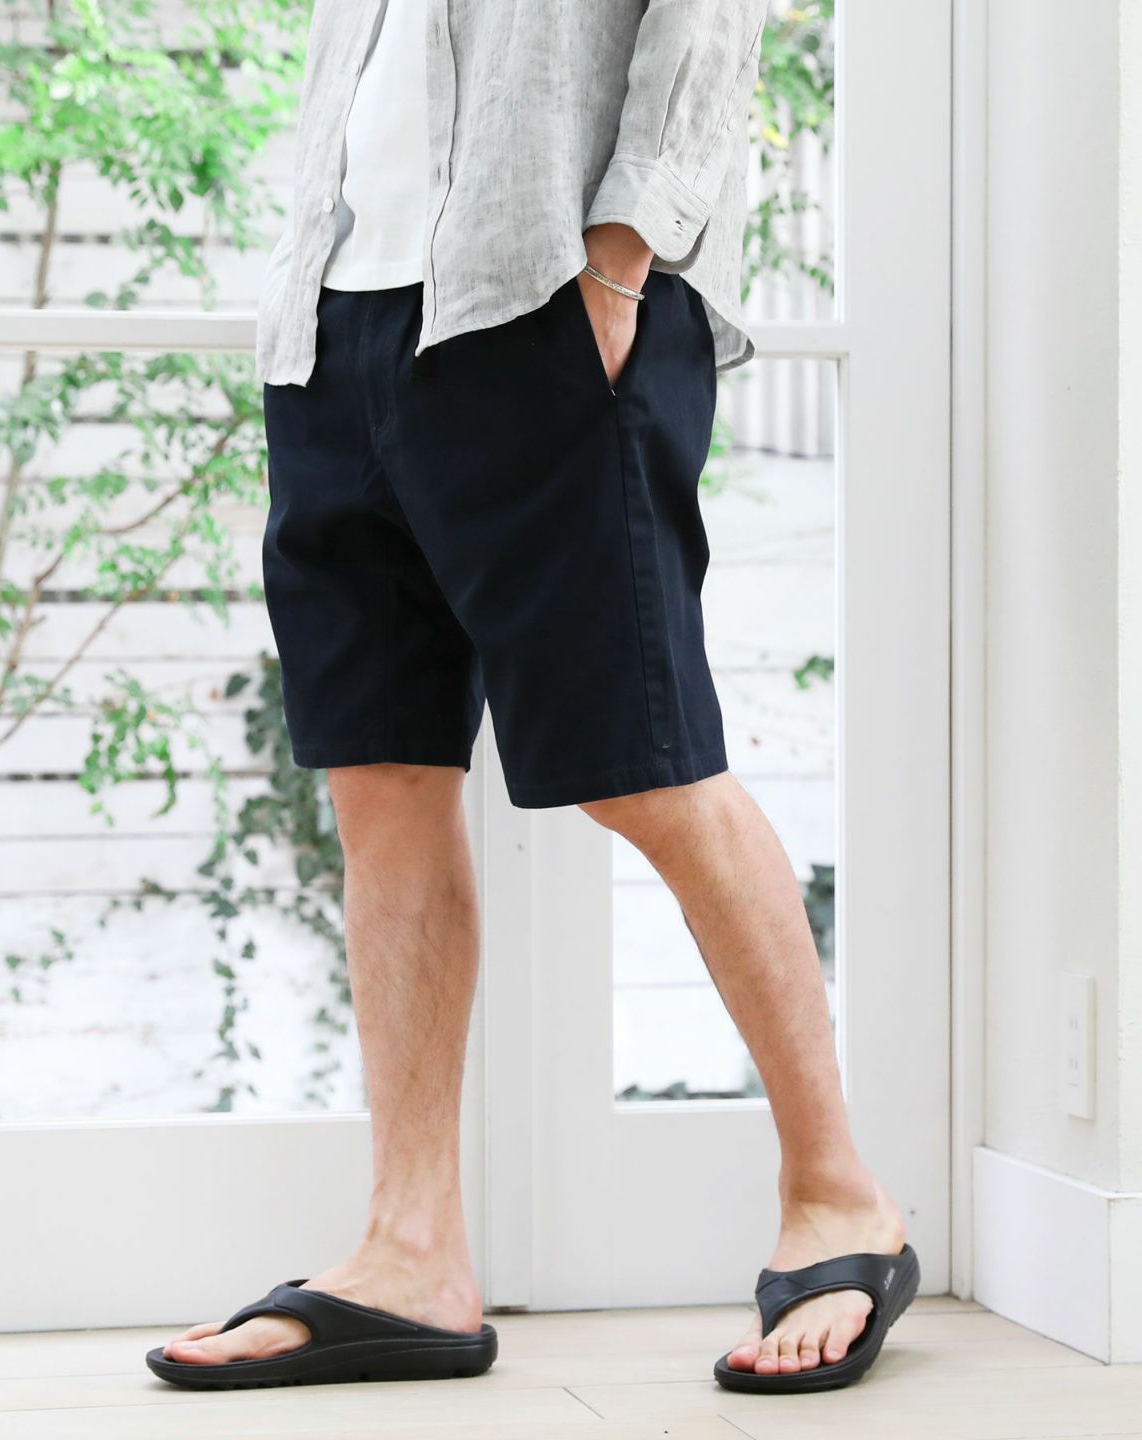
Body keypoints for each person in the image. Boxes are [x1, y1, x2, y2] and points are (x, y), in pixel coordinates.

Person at [145, 0, 918, 1397]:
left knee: (649, 765)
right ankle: (411, 1255)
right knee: (380, 780)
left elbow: (707, 24)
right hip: (336, 321)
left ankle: (838, 1195)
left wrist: (619, 262)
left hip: (540, 292)